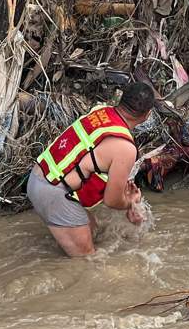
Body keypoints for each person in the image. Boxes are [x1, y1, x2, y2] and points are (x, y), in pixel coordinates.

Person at [28, 82, 154, 256]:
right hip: (54, 195)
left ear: (120, 99)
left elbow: (86, 161)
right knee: (89, 262)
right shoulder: (126, 148)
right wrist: (130, 204)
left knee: (93, 228)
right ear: (147, 115)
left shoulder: (99, 111)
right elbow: (111, 200)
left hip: (37, 178)